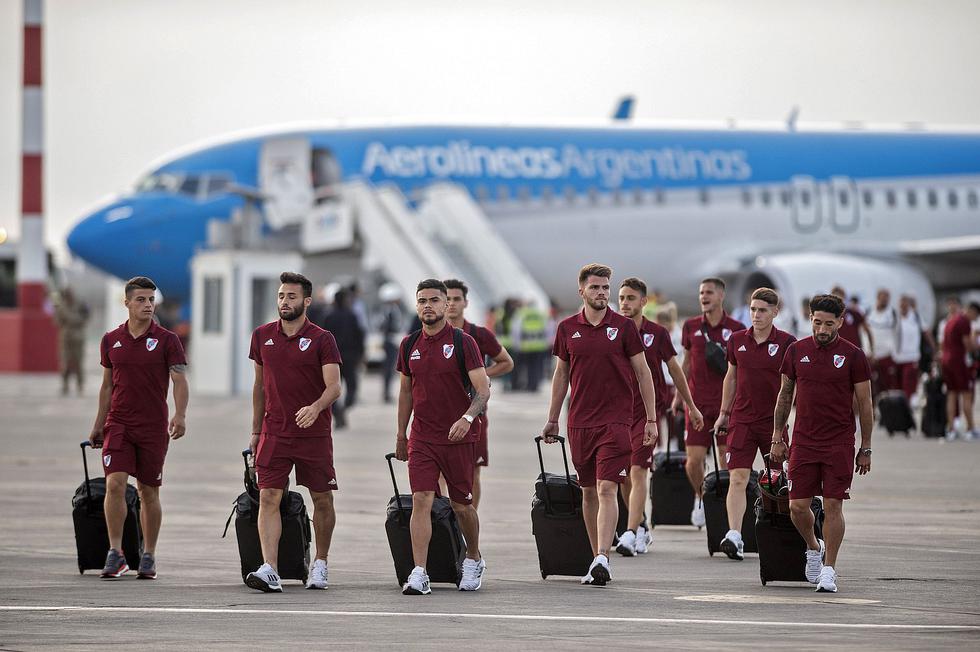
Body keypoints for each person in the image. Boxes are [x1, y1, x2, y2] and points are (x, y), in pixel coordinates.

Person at [542, 264, 658, 586]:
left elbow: (643, 372)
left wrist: (649, 418)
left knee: (608, 488)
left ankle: (603, 555)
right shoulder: (567, 329)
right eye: (595, 288)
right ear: (581, 290)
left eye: (606, 288)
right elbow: (561, 374)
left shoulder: (623, 327)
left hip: (616, 422)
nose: (602, 294)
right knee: (589, 490)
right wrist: (553, 418)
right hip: (579, 422)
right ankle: (596, 558)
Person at [245, 272, 343, 593]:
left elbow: (334, 387)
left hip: (313, 434)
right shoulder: (262, 336)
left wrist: (315, 407)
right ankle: (270, 568)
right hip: (275, 432)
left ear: (306, 301)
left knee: (322, 499)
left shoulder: (322, 338)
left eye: (291, 296)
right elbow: (259, 386)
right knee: (269, 496)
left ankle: (321, 563)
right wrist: (256, 430)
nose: (285, 302)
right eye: (281, 296)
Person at [771, 294, 873, 593]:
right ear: (810, 319)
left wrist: (865, 447)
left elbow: (866, 405)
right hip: (803, 440)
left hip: (839, 441)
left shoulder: (854, 355)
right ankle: (813, 547)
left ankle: (829, 568)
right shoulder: (796, 350)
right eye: (817, 322)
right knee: (797, 507)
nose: (822, 329)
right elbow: (784, 396)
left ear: (840, 322)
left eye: (829, 324)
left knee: (832, 505)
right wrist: (777, 436)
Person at [88, 276, 188, 580]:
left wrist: (180, 415)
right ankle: (115, 553)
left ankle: (148, 555)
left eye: (151, 299)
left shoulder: (168, 340)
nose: (148, 305)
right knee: (115, 484)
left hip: (152, 427)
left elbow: (179, 380)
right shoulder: (111, 340)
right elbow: (107, 386)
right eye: (141, 299)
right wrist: (98, 424)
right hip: (118, 423)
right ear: (127, 302)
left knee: (148, 490)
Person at [395, 279, 491, 595]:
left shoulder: (464, 343)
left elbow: (482, 390)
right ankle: (419, 572)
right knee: (421, 499)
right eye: (422, 300)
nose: (428, 306)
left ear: (445, 305)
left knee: (462, 505)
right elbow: (406, 391)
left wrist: (467, 418)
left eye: (434, 300)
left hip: (458, 436)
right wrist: (401, 433)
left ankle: (474, 557)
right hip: (422, 437)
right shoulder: (409, 344)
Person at [616, 277, 702, 556]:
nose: (625, 303)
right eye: (622, 298)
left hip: (646, 412)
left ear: (644, 302)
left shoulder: (658, 333)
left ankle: (629, 533)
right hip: (616, 413)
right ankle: (640, 525)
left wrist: (690, 404)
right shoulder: (611, 331)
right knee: (622, 477)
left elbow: (676, 370)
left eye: (631, 298)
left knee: (639, 470)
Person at [713, 287, 795, 560]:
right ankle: (734, 535)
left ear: (775, 312)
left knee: (776, 481)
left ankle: (777, 534)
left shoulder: (786, 343)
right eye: (753, 309)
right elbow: (731, 377)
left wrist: (782, 428)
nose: (756, 315)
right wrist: (724, 413)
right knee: (737, 477)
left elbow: (790, 386)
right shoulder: (737, 340)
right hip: (742, 420)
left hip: (773, 423)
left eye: (762, 310)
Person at [674, 277, 744, 528]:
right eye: (701, 292)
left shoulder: (736, 327)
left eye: (709, 292)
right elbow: (687, 362)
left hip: (726, 405)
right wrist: (679, 396)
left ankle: (726, 509)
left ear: (721, 296)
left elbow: (740, 368)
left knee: (727, 461)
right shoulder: (690, 326)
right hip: (698, 404)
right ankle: (701, 497)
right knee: (693, 461)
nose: (704, 296)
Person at [444, 278, 514, 509]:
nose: (452, 304)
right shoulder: (428, 335)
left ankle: (468, 522)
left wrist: (483, 376)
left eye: (457, 299)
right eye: (448, 299)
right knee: (440, 475)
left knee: (471, 473)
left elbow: (506, 362)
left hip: (473, 414)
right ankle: (445, 523)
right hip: (439, 413)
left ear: (465, 303)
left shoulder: (478, 334)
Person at [316, 287, 365, 429]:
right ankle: (343, 410)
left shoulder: (327, 316)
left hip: (331, 359)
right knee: (352, 387)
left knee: (332, 388)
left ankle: (338, 413)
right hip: (349, 357)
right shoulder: (352, 315)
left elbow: (320, 338)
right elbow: (360, 336)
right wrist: (361, 354)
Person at [940, 298, 978, 440]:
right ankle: (971, 428)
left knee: (951, 394)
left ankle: (951, 429)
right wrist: (975, 343)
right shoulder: (964, 321)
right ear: (972, 311)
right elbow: (967, 344)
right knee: (966, 394)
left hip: (946, 360)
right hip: (959, 362)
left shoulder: (951, 320)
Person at [55, 287, 90, 396]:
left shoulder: (80, 304)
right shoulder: (61, 306)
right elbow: (57, 321)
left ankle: (80, 386)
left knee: (78, 363)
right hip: (66, 338)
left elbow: (87, 315)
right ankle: (65, 385)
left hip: (78, 337)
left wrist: (79, 321)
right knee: (65, 363)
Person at [893, 295, 926, 401]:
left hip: (912, 357)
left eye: (905, 303)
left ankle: (908, 407)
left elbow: (926, 331)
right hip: (897, 357)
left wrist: (933, 348)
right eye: (901, 304)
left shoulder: (915, 316)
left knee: (909, 385)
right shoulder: (895, 317)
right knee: (898, 386)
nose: (903, 306)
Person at [866, 289, 898, 396]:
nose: (885, 300)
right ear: (878, 297)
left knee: (887, 386)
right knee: (870, 386)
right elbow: (864, 333)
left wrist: (894, 352)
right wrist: (869, 352)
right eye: (883, 297)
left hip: (886, 355)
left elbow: (897, 334)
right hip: (871, 356)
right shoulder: (869, 312)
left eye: (887, 298)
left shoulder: (892, 313)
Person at [378, 282, 404, 404]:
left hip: (390, 340)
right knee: (388, 368)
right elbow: (388, 326)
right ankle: (386, 394)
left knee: (389, 368)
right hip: (390, 341)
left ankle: (386, 393)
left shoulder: (389, 309)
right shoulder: (391, 310)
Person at [831, 286, 874, 351]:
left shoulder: (853, 313)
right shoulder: (829, 316)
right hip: (837, 351)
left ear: (844, 297)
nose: (837, 301)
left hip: (854, 351)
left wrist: (871, 350)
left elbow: (867, 331)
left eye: (840, 297)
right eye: (835, 298)